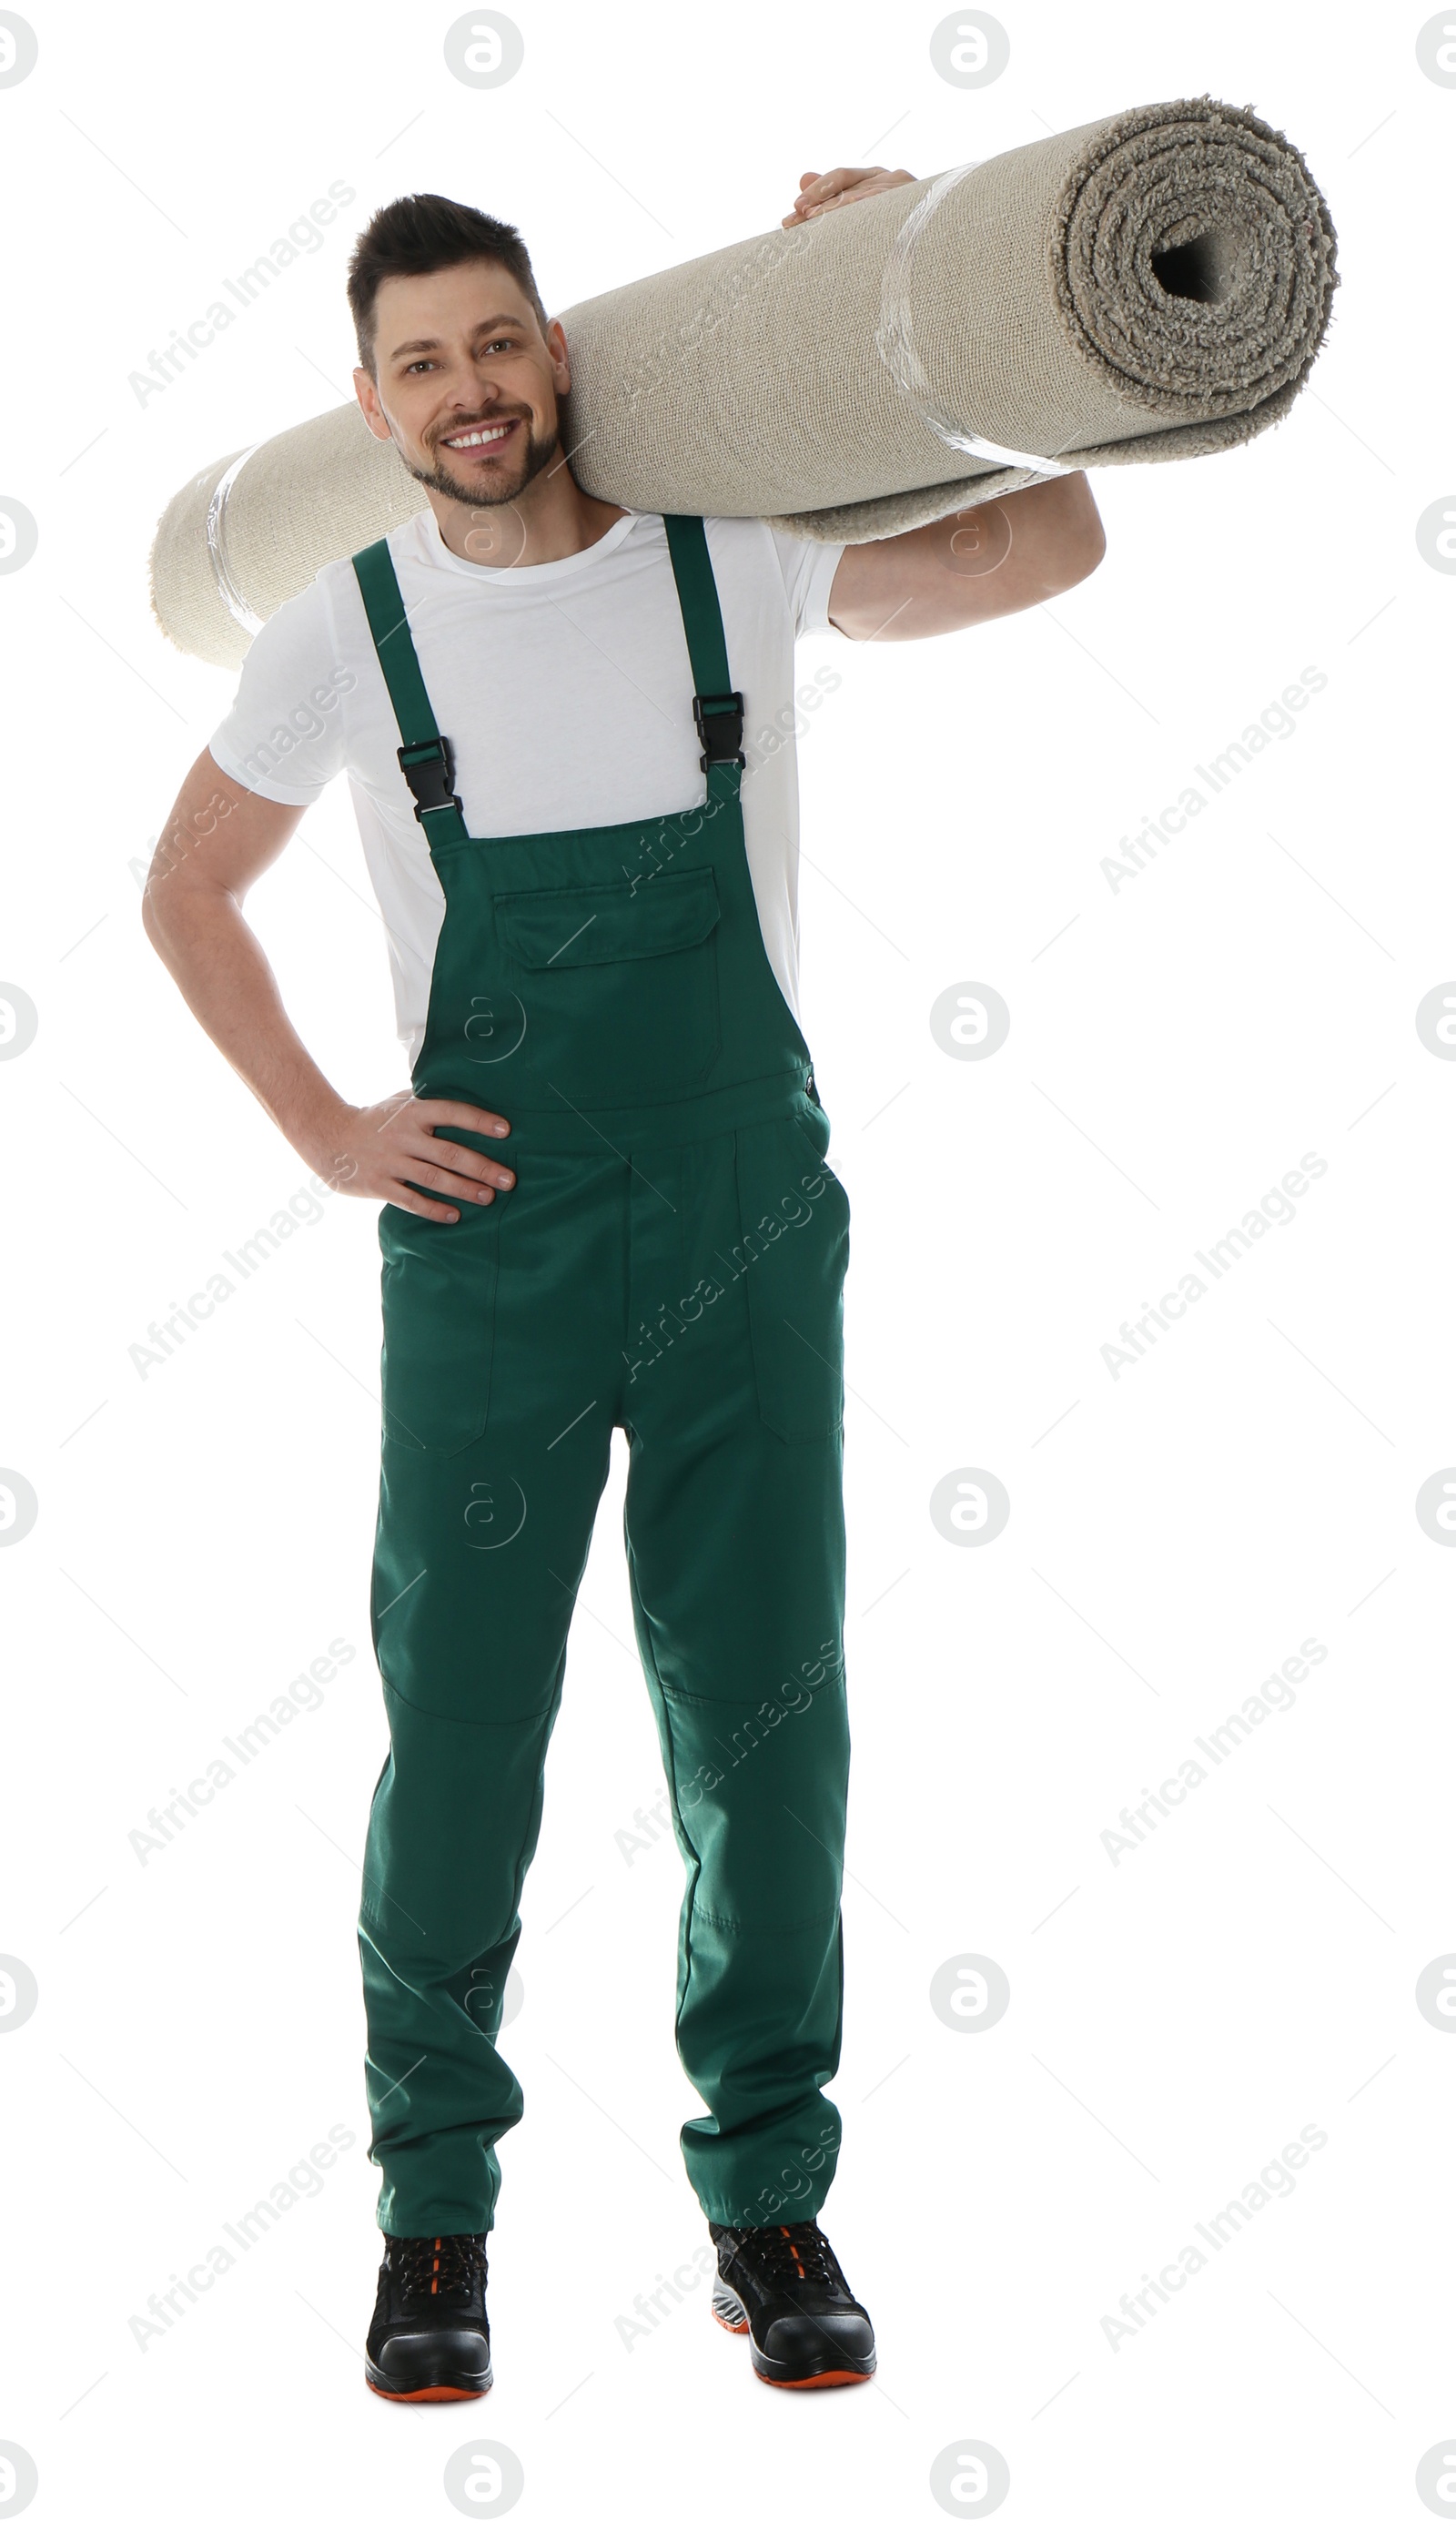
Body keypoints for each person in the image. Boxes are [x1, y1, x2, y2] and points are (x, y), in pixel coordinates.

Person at [143, 169, 1105, 2401]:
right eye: (419, 362)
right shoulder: (349, 625)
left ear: (554, 350)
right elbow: (187, 888)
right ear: (367, 400)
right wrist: (324, 1128)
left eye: (495, 343)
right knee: (460, 1733)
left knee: (765, 1715)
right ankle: (430, 2221)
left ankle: (767, 2198)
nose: (468, 392)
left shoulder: (730, 561)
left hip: (741, 1214)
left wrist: (940, 281)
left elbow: (1051, 548)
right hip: (485, 1248)